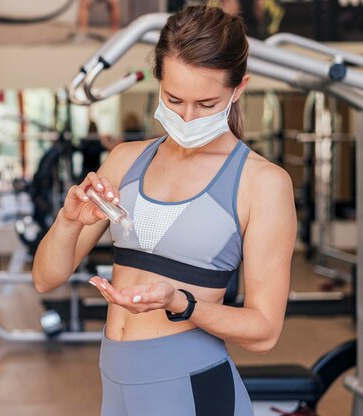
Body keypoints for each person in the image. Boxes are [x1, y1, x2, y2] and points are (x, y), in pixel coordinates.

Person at [32, 5, 296, 415]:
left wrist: (181, 303)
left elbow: (264, 332)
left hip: (191, 388)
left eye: (206, 104)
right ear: (159, 82)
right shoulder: (124, 160)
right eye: (174, 99)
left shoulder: (262, 183)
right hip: (115, 381)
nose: (187, 117)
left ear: (238, 89)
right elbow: (45, 279)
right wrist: (68, 221)